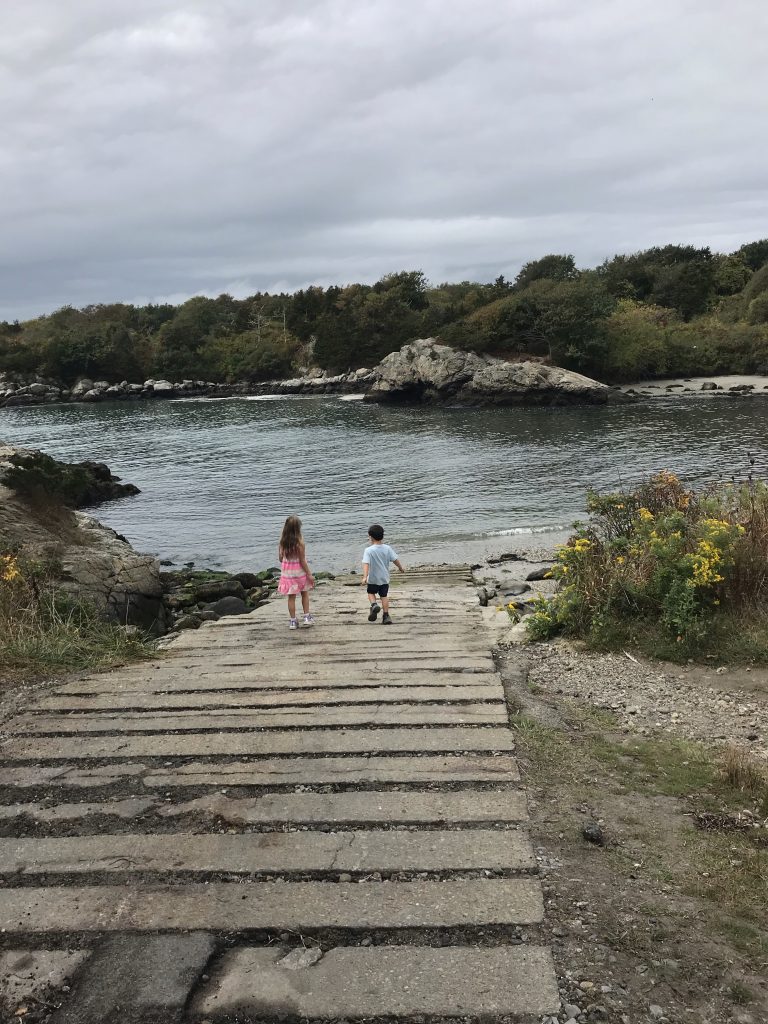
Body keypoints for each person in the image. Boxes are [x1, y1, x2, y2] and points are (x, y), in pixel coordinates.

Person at [362, 523, 404, 625]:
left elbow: (366, 563)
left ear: (370, 537)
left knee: (371, 593)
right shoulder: (387, 548)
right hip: (384, 578)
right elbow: (395, 559)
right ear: (382, 536)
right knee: (384, 596)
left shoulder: (368, 550)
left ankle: (374, 605)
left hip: (373, 578)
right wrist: (400, 568)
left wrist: (364, 577)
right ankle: (386, 616)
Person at [277, 515, 315, 629]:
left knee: (291, 597)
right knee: (304, 593)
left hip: (288, 574)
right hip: (299, 572)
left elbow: (280, 558)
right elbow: (302, 560)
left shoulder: (282, 542)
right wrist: (309, 574)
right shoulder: (300, 542)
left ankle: (293, 621)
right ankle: (307, 617)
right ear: (298, 528)